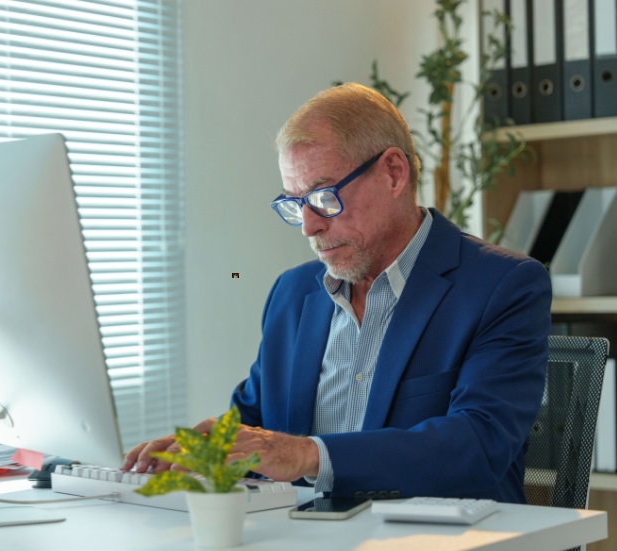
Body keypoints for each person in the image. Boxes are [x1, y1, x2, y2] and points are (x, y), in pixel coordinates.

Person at [123, 83, 552, 503]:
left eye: (325, 197)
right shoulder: (293, 294)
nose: (309, 226)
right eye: (295, 204)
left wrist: (308, 455)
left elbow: (478, 445)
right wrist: (206, 448)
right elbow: (257, 422)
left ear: (393, 173)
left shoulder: (502, 286)